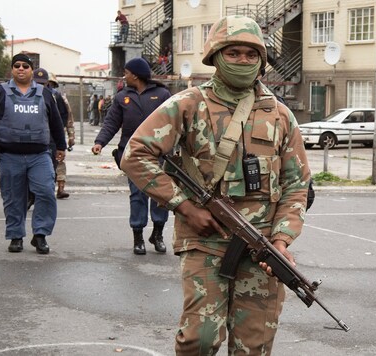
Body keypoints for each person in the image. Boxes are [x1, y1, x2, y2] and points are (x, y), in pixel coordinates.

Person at [120, 15, 310, 354]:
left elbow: (297, 184)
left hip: (261, 246)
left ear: (262, 60)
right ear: (216, 56)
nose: (242, 61)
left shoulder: (280, 115)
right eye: (233, 53)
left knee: (254, 345)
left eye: (251, 54)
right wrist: (185, 206)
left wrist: (281, 240)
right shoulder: (188, 104)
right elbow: (136, 155)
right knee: (199, 340)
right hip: (206, 240)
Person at [0, 53, 67, 254]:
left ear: (31, 70)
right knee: (13, 197)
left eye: (25, 66)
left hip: (40, 155)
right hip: (9, 155)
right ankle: (16, 236)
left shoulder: (44, 93)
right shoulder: (0, 92)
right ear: (12, 69)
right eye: (16, 65)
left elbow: (56, 122)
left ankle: (40, 235)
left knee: (45, 192)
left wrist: (61, 146)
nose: (21, 69)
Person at [91, 57, 171, 255]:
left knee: (162, 196)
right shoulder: (122, 97)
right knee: (138, 195)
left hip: (159, 154)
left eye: (126, 73)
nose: (124, 76)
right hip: (132, 155)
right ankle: (138, 237)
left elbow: (174, 122)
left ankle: (158, 234)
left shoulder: (162, 94)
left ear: (135, 75)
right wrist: (99, 142)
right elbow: (111, 123)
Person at [33, 69, 76, 199]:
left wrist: (71, 135)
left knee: (59, 161)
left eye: (49, 84)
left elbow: (68, 117)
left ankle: (60, 188)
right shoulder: (30, 96)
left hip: (56, 135)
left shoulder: (59, 98)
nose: (47, 87)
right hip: (39, 135)